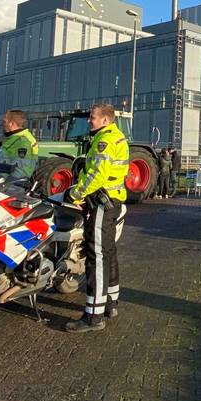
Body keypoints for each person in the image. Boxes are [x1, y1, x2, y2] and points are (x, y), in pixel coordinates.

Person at [64, 103, 129, 333]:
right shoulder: (113, 136)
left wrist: (74, 193)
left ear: (105, 120)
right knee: (108, 252)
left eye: (92, 118)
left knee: (97, 256)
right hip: (111, 201)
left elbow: (97, 174)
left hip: (102, 202)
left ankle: (93, 317)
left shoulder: (105, 140)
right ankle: (110, 304)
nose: (89, 121)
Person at [0, 109, 39, 181]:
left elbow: (22, 169)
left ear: (12, 124)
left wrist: (7, 182)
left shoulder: (23, 141)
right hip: (2, 177)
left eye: (4, 122)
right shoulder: (12, 138)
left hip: (14, 184)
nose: (2, 124)